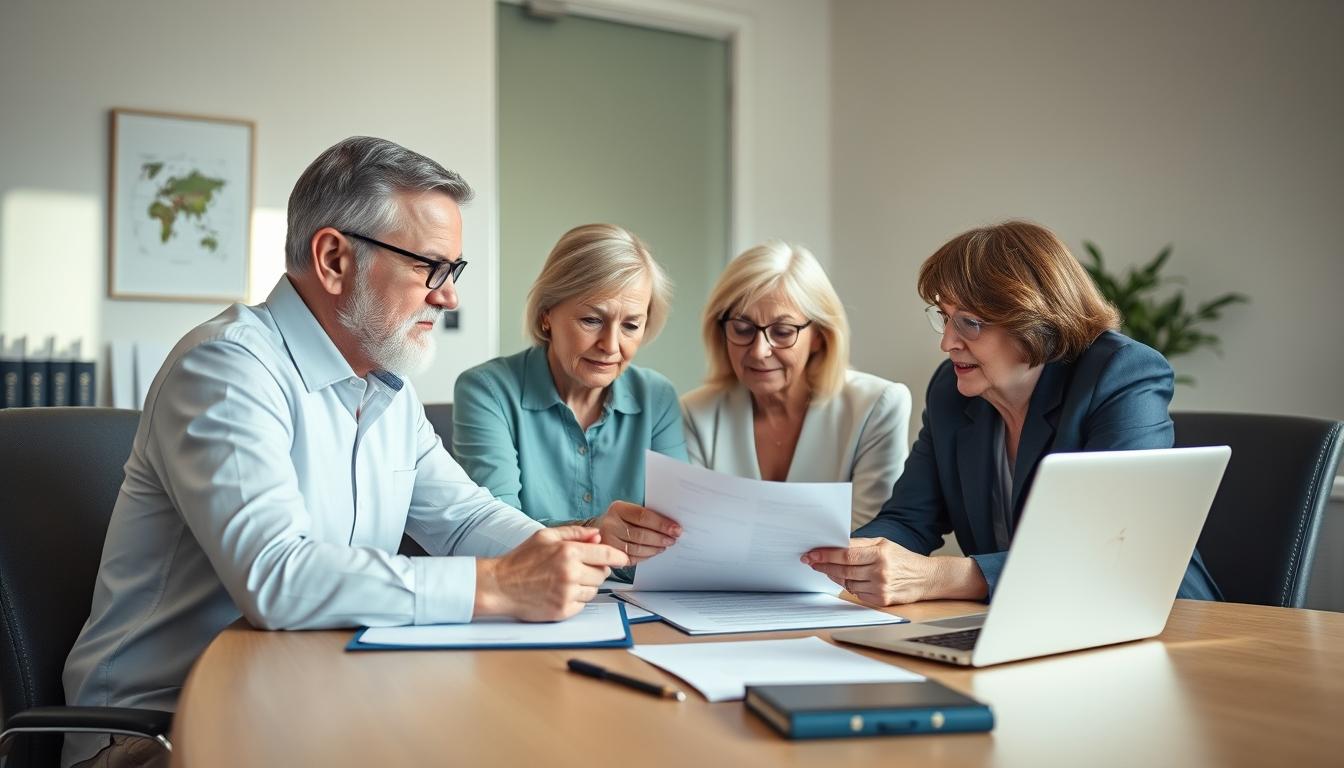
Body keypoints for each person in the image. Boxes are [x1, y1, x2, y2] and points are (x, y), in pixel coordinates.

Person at [61, 137, 627, 768]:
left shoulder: (384, 385)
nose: (449, 297)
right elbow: (275, 576)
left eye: (454, 271)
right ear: (334, 259)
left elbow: (463, 518)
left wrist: (565, 552)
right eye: (430, 267)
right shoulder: (227, 367)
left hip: (318, 693)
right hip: (158, 730)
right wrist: (497, 584)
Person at [802, 221, 1221, 606]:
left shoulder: (1122, 373)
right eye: (945, 318)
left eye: (969, 322)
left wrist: (944, 576)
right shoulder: (952, 391)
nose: (947, 343)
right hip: (1021, 622)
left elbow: (1115, 542)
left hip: (1157, 616)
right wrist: (834, 558)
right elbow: (909, 520)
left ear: (1033, 321)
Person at [452, 224, 685, 564]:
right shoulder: (487, 391)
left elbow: (675, 535)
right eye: (591, 320)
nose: (611, 346)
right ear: (547, 315)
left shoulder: (658, 397)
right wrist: (594, 532)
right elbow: (493, 533)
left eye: (630, 325)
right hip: (529, 588)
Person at [680, 241, 911, 529]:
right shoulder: (694, 413)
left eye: (782, 331)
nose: (759, 351)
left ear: (819, 337)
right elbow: (691, 530)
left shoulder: (876, 407)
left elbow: (869, 536)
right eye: (742, 328)